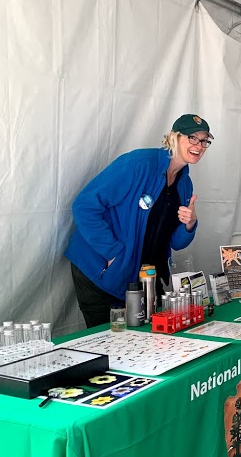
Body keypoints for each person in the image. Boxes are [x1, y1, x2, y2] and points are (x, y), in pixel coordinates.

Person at [65, 114, 213, 328]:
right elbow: (85, 205)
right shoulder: (137, 165)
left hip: (142, 280)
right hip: (101, 273)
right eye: (192, 138)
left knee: (140, 344)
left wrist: (190, 223)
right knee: (108, 344)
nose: (198, 145)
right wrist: (112, 252)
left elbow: (176, 243)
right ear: (174, 137)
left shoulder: (185, 184)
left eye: (204, 141)